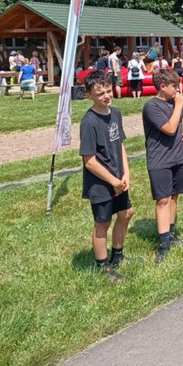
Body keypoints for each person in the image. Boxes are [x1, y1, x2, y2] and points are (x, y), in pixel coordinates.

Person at [79, 70, 133, 283]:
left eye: (109, 90)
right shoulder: (89, 122)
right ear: (88, 95)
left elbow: (120, 145)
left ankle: (117, 256)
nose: (106, 96)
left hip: (119, 178)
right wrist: (113, 181)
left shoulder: (116, 113)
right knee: (103, 222)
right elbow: (89, 161)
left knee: (126, 213)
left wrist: (126, 173)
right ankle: (103, 267)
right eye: (100, 93)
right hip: (101, 183)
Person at [142, 69, 183, 263]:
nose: (178, 89)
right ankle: (163, 243)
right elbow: (170, 129)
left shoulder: (175, 101)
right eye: (174, 86)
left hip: (178, 157)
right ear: (162, 87)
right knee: (163, 200)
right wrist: (179, 104)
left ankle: (171, 235)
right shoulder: (152, 107)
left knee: (174, 197)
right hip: (160, 160)